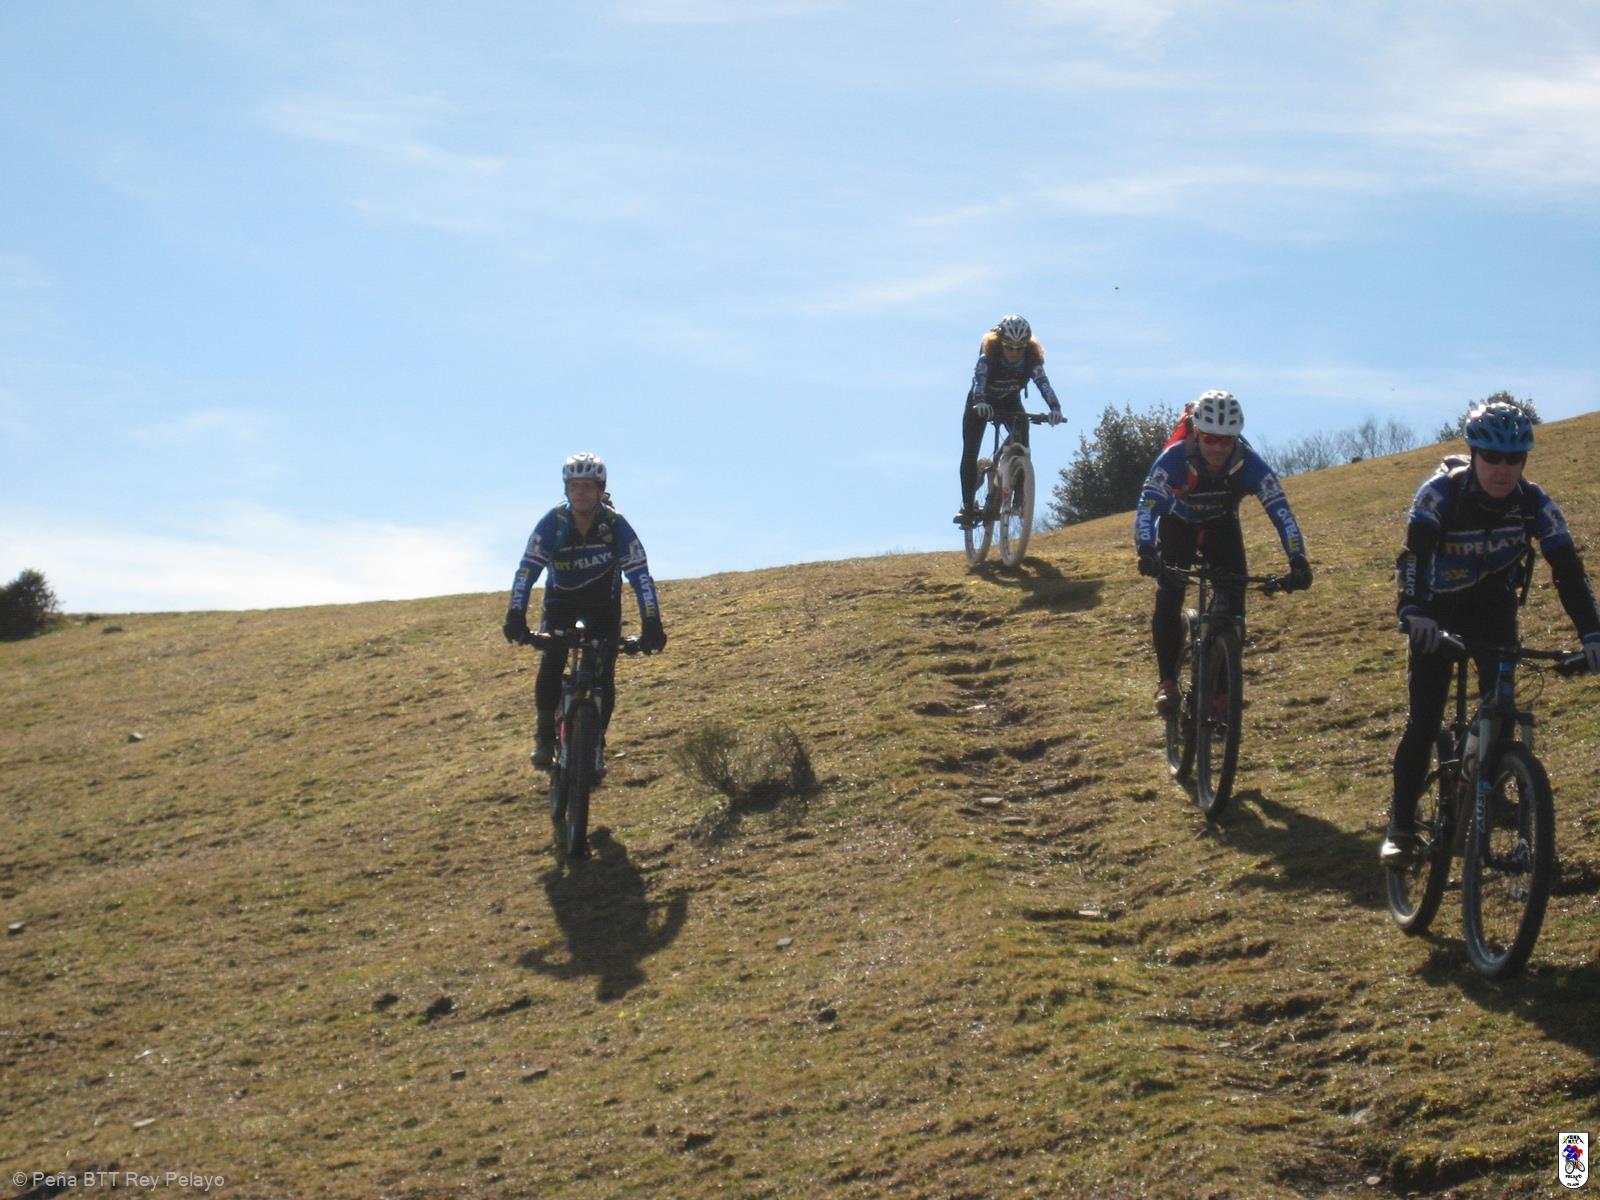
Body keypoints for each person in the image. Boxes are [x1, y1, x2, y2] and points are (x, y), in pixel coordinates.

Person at [1380, 401, 1600, 865]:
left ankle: (1489, 781)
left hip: (1493, 607)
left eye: (1514, 459)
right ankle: (1400, 828)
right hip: (1436, 608)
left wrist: (1592, 634)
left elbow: (1568, 570)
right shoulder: (1439, 495)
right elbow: (1414, 556)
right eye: (1493, 457)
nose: (1503, 469)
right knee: (1424, 721)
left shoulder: (1534, 503)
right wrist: (1413, 611)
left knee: (1501, 706)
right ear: (1475, 455)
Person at [1133, 390, 1312, 713]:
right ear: (1197, 433)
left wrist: (1298, 559)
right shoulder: (1174, 459)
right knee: (1170, 593)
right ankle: (1168, 682)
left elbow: (1282, 513)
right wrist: (1146, 550)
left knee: (1235, 604)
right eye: (1210, 439)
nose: (1218, 448)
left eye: (1226, 441)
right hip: (1178, 525)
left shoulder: (1249, 463)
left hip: (1221, 528)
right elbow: (1147, 507)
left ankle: (1221, 689)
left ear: (1236, 438)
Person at [502, 452, 667, 776]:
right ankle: (544, 735)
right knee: (553, 659)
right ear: (566, 489)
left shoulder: (615, 525)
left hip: (603, 605)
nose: (581, 493)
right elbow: (526, 571)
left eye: (588, 487)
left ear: (600, 490)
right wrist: (515, 614)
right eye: (575, 486)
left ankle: (596, 744)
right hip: (560, 603)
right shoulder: (553, 523)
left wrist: (652, 623)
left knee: (604, 672)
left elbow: (640, 576)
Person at [956, 314, 1064, 526]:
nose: (1014, 352)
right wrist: (980, 402)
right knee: (970, 451)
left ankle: (1019, 497)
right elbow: (978, 382)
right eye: (1009, 347)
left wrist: (1055, 408)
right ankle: (968, 508)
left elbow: (1043, 383)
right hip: (981, 402)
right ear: (999, 343)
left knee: (1023, 437)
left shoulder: (1031, 360)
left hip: (1009, 401)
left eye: (1020, 347)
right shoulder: (988, 357)